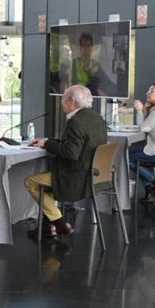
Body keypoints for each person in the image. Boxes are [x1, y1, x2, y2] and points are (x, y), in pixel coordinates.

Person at [24, 85, 107, 238]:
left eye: (63, 99)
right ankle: (48, 226)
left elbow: (71, 153)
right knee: (45, 178)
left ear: (72, 102)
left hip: (76, 178)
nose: (61, 102)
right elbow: (76, 144)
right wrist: (47, 141)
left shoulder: (75, 122)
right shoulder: (97, 118)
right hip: (94, 174)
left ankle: (59, 223)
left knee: (31, 182)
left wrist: (47, 144)